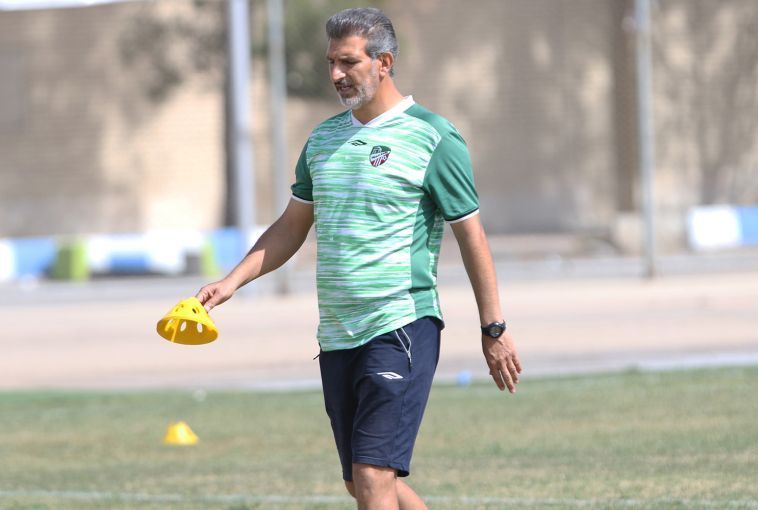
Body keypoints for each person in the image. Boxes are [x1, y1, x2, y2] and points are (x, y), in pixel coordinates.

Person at [196, 7, 522, 510]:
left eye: (348, 62)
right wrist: (232, 281)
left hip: (400, 325)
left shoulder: (433, 136)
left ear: (384, 62)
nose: (335, 74)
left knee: (372, 476)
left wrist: (493, 328)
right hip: (336, 333)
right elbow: (292, 226)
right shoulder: (322, 140)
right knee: (362, 480)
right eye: (331, 62)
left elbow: (472, 237)